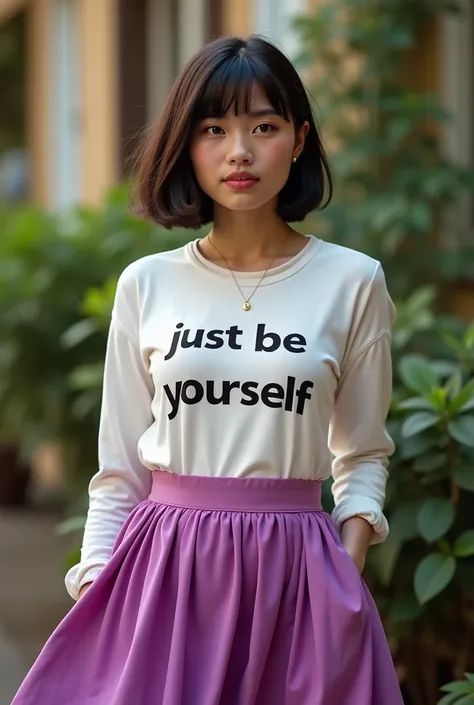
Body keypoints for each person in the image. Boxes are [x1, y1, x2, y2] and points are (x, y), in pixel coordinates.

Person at [12, 35, 404, 704]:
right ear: (187, 146)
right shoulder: (147, 285)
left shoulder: (354, 282)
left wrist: (345, 566)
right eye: (214, 128)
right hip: (163, 576)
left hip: (298, 580)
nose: (239, 151)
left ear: (301, 138)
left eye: (264, 126)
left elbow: (363, 454)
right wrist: (98, 582)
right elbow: (118, 471)